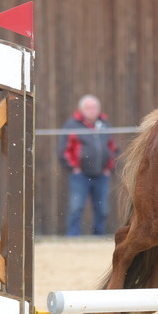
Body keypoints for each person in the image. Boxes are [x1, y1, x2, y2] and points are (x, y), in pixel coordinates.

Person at [59, 94, 118, 236]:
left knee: (102, 209)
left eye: (94, 107)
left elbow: (113, 148)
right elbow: (64, 150)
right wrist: (74, 168)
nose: (92, 110)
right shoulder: (72, 125)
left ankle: (98, 236)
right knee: (76, 207)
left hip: (102, 175)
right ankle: (72, 237)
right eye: (88, 107)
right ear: (81, 109)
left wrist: (109, 168)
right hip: (80, 175)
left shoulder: (104, 125)